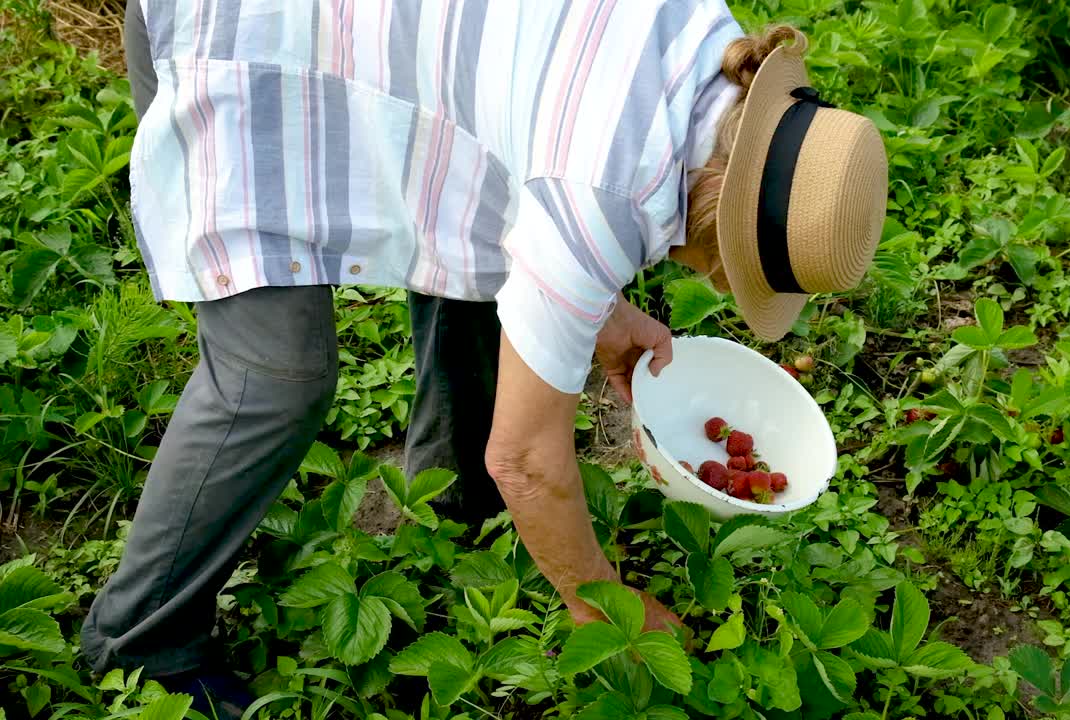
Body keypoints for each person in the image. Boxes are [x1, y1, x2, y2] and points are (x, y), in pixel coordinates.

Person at [84, 1, 888, 715]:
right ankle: (140, 641)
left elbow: (531, 156)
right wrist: (595, 594)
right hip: (236, 35)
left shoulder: (707, 49)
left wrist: (596, 309)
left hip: (373, 35)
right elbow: (529, 459)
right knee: (274, 374)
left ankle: (455, 503)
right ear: (717, 204)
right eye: (719, 258)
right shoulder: (606, 188)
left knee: (475, 271)